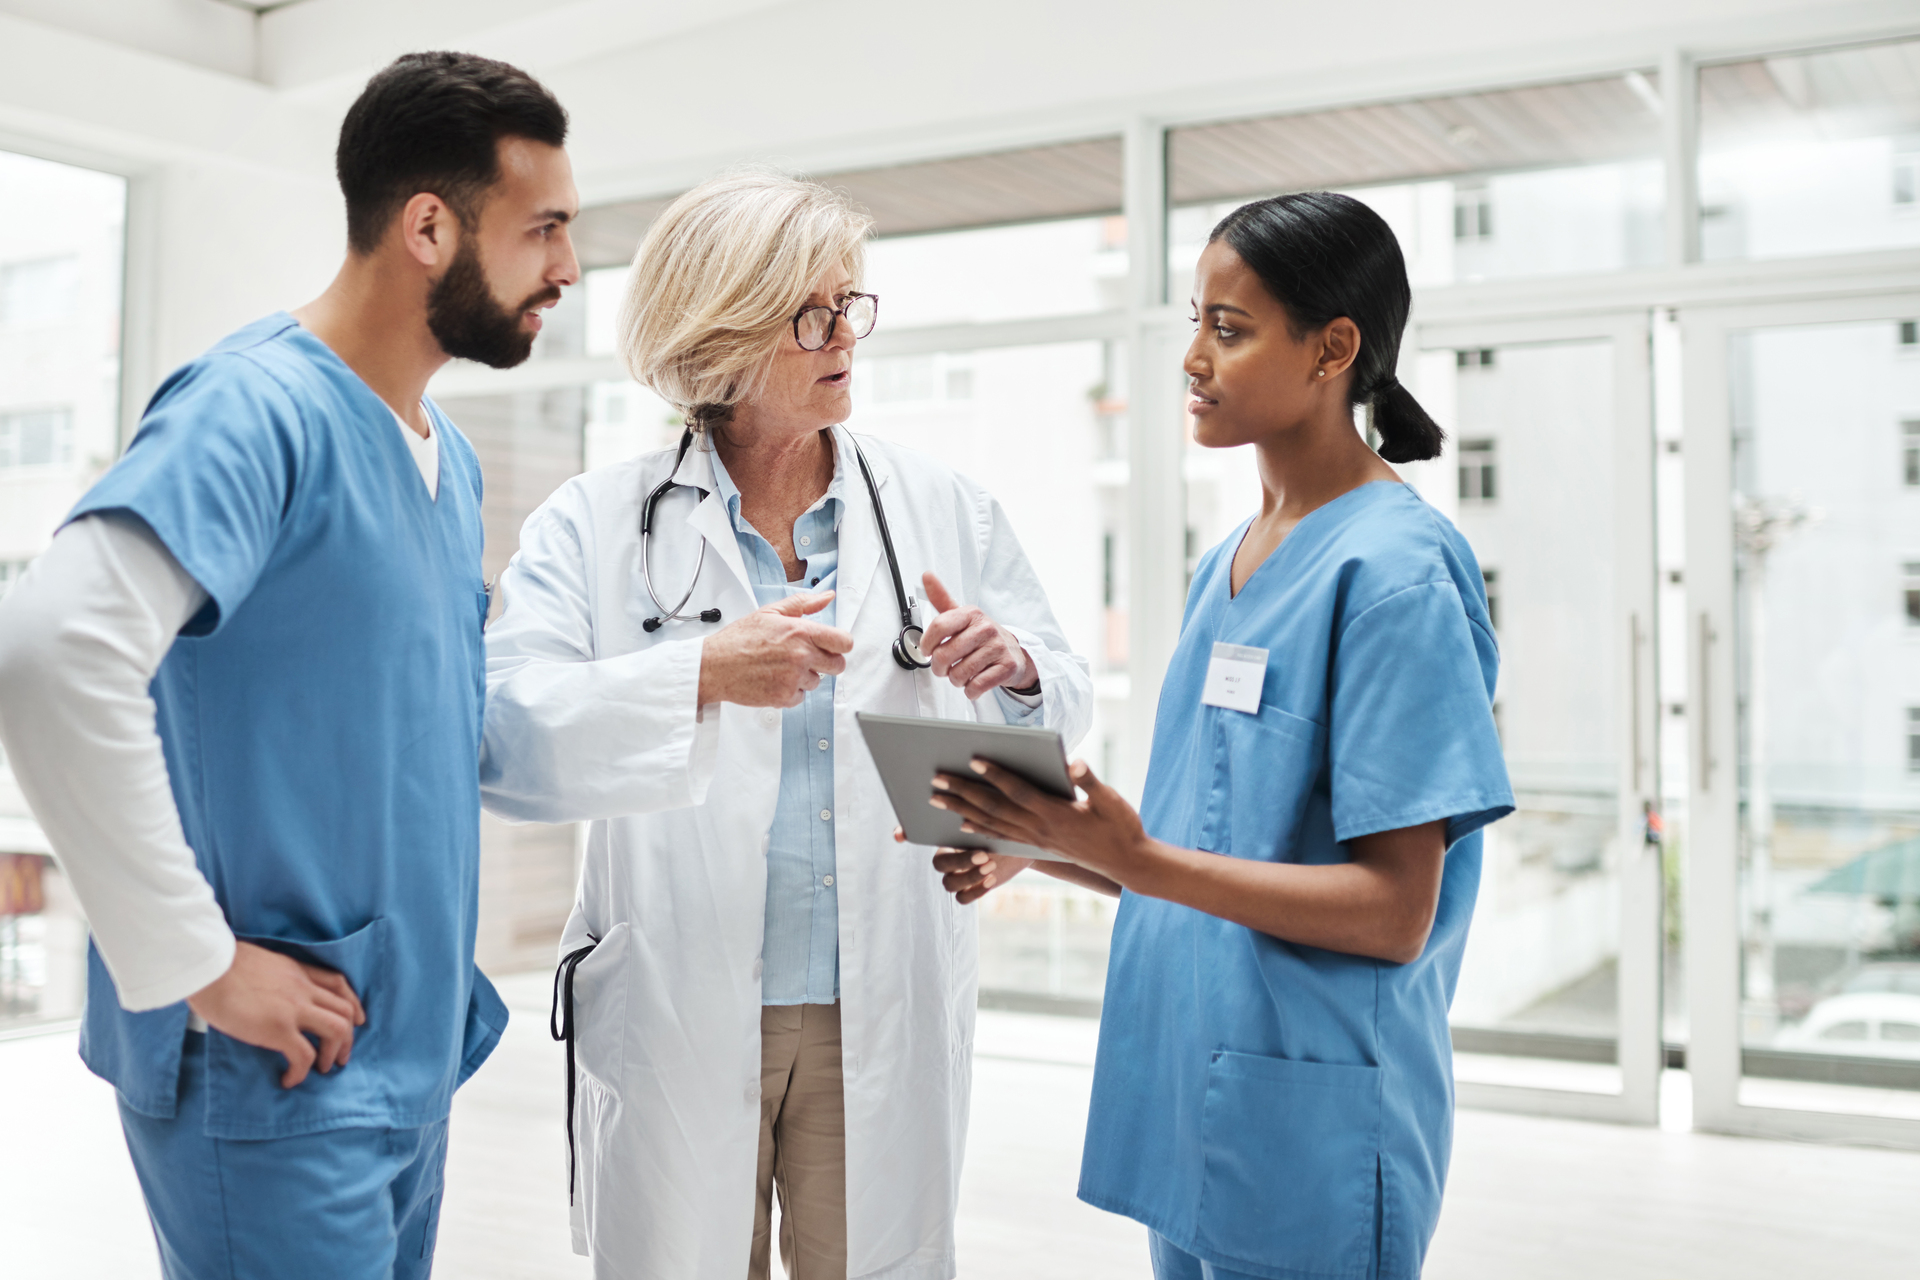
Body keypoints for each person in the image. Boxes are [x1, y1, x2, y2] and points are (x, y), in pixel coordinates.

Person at [0, 52, 581, 1280]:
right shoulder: (252, 408)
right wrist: (199, 964)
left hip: (397, 1053)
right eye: (544, 231)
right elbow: (53, 651)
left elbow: (415, 725)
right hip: (271, 1070)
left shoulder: (447, 460)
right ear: (429, 226)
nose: (567, 270)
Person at [479, 169, 1092, 1280]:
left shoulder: (939, 504)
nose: (844, 335)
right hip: (680, 990)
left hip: (880, 994)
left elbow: (1059, 691)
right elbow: (508, 734)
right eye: (812, 313)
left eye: (850, 304)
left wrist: (1019, 669)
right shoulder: (595, 521)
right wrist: (699, 674)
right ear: (720, 329)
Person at [924, 192, 1515, 1280]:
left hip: (1316, 1124)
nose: (1191, 357)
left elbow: (1394, 911)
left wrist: (1132, 855)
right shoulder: (1226, 566)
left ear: (1334, 348)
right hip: (1197, 1101)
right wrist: (1046, 845)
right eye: (1194, 320)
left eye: (1229, 329)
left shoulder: (1394, 574)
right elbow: (1214, 853)